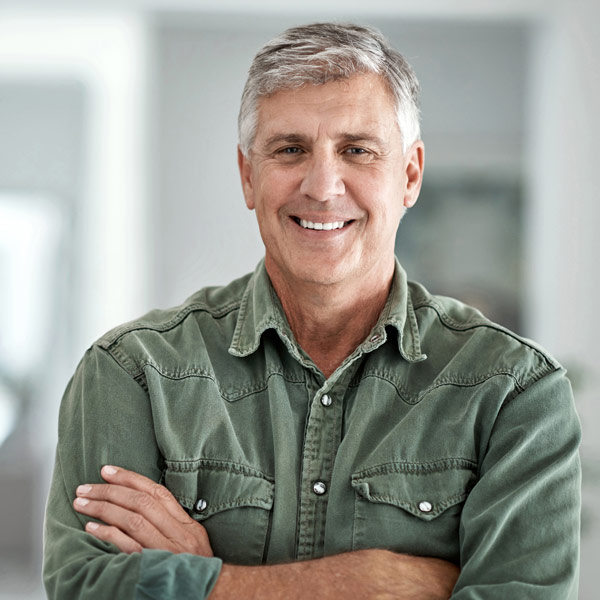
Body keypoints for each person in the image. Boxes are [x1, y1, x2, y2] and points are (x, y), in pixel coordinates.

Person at [43, 22, 581, 599]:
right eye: (291, 150)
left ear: (410, 175)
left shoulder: (514, 391)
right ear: (249, 175)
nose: (323, 187)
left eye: (357, 150)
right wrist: (365, 581)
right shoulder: (131, 373)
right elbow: (88, 588)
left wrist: (208, 582)